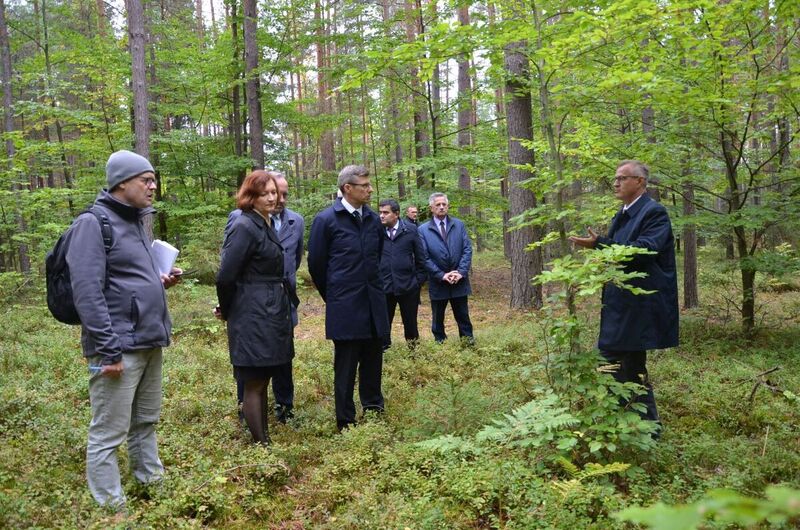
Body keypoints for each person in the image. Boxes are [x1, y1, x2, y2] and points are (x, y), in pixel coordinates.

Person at [67, 150, 181, 510]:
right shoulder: (92, 223)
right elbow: (87, 292)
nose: (153, 186)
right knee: (108, 431)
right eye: (145, 180)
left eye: (153, 180)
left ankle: (150, 481)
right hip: (117, 347)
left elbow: (125, 281)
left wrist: (158, 281)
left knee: (144, 420)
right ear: (121, 183)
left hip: (148, 340)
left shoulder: (134, 221)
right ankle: (110, 507)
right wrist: (108, 350)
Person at [569, 160, 678, 433]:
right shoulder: (624, 212)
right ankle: (626, 426)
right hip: (621, 305)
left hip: (638, 307)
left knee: (623, 364)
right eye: (615, 178)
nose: (616, 183)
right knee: (617, 365)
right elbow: (619, 251)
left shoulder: (654, 213)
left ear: (640, 182)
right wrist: (600, 247)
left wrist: (601, 244)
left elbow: (643, 251)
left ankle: (648, 431)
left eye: (622, 178)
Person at [216, 170, 297, 445]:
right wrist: (227, 310)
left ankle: (264, 438)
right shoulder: (244, 225)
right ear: (251, 196)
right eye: (266, 193)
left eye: (274, 192)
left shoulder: (263, 223)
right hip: (252, 311)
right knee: (253, 380)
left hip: (268, 308)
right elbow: (226, 275)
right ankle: (262, 443)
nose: (273, 198)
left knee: (263, 378)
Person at [307, 165, 389, 431]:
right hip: (345, 306)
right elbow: (317, 265)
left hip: (374, 302)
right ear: (347, 188)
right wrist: (335, 296)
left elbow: (377, 255)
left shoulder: (374, 219)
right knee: (345, 366)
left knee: (373, 359)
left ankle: (374, 409)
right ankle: (345, 420)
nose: (370, 189)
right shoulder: (326, 220)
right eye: (364, 185)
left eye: (369, 184)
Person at [418, 192, 474, 344]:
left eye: (444, 204)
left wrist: (461, 272)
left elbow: (467, 249)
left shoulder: (458, 224)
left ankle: (468, 343)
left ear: (448, 206)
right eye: (438, 205)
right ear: (431, 208)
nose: (441, 207)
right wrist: (441, 275)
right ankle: (440, 344)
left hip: (459, 281)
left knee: (463, 316)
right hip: (438, 282)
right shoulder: (422, 230)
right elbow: (423, 257)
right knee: (438, 318)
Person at [378, 198, 427, 350]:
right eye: (380, 212)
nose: (381, 216)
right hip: (384, 287)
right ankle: (384, 350)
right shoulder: (377, 231)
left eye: (385, 212)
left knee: (410, 322)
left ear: (396, 214)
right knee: (384, 322)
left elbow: (421, 259)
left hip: (408, 287)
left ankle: (413, 351)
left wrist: (417, 283)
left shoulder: (410, 230)